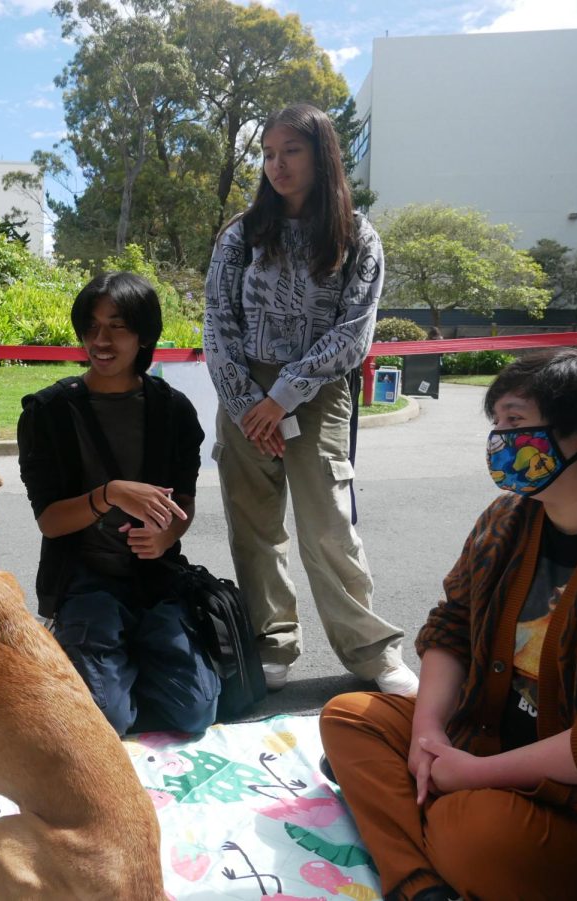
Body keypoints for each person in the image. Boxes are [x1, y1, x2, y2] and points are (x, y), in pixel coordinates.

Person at [320, 347, 577, 901]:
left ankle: (413, 822)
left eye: (515, 422)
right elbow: (451, 626)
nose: (499, 440)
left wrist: (472, 775)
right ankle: (421, 883)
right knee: (351, 718)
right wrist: (428, 732)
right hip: (480, 738)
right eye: (496, 423)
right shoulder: (509, 516)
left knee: (470, 831)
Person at [203, 102, 417, 696]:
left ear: (321, 156)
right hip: (244, 390)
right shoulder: (241, 234)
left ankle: (371, 650)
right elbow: (217, 323)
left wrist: (285, 395)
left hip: (319, 394)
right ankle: (271, 644)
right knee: (253, 523)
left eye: (290, 151)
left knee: (328, 523)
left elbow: (355, 330)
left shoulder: (356, 236)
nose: (277, 165)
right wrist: (251, 401)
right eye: (268, 154)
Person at [18, 272, 221, 736]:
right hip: (85, 584)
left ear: (144, 333)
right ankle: (98, 664)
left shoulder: (173, 410)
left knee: (195, 713)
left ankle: (117, 663)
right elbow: (50, 522)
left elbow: (182, 501)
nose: (100, 340)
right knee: (107, 720)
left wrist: (167, 533)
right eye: (90, 327)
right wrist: (109, 494)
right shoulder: (47, 413)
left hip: (156, 583)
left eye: (116, 326)